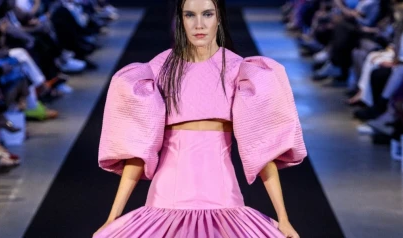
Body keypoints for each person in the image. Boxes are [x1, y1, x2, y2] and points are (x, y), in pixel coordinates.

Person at [94, 0, 307, 237]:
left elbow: (262, 150)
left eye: (207, 14)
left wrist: (284, 218)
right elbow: (138, 152)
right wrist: (112, 218)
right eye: (189, 15)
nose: (199, 24)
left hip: (223, 202)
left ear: (219, 18)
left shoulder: (240, 71)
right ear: (180, 20)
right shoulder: (157, 70)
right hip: (166, 202)